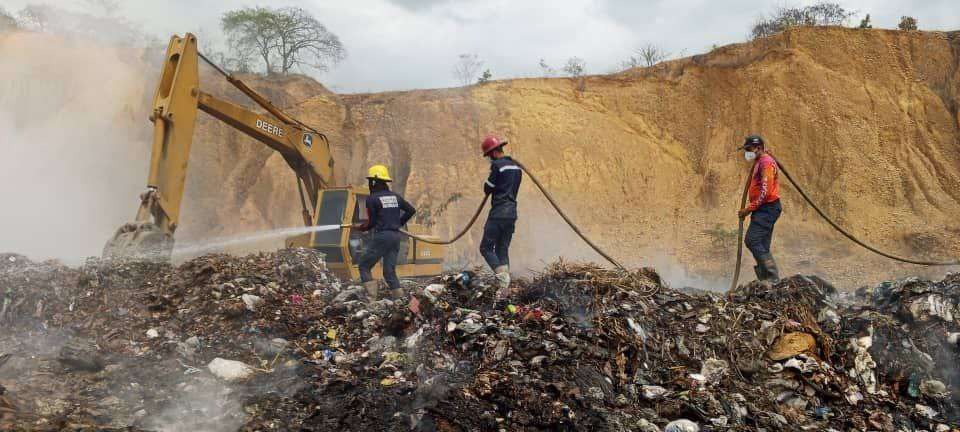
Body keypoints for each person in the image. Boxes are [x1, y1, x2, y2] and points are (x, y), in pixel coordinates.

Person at [353, 164, 416, 299]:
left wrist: (360, 228)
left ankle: (371, 300)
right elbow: (411, 210)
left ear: (374, 182)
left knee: (364, 265)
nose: (370, 184)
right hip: (395, 237)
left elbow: (372, 223)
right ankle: (400, 300)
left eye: (371, 181)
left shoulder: (372, 199)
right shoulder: (396, 197)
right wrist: (399, 223)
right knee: (389, 271)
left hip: (382, 237)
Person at [478, 135, 522, 292]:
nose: (490, 159)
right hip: (512, 213)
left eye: (489, 156)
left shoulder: (497, 166)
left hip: (498, 213)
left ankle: (502, 277)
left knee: (486, 248)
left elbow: (488, 188)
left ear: (494, 152)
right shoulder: (516, 167)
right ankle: (505, 286)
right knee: (502, 248)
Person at [737, 135, 782, 283]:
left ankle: (771, 276)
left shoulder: (766, 163)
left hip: (767, 208)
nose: (747, 153)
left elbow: (765, 192)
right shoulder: (761, 160)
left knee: (752, 239)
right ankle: (767, 280)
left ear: (758, 148)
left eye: (749, 149)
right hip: (764, 209)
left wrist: (748, 209)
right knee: (762, 244)